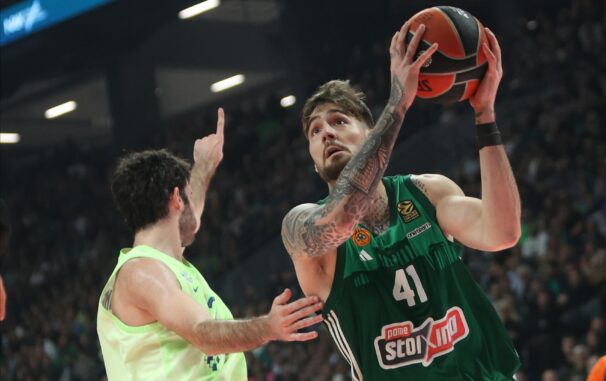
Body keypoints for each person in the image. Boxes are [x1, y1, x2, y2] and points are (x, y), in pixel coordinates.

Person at [281, 21, 522, 380]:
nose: (326, 132)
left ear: (370, 132)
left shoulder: (428, 192)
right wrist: (398, 103)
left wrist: (485, 115)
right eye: (315, 132)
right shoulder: (302, 227)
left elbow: (503, 232)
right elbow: (344, 218)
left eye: (339, 121)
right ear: (314, 161)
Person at [97, 108, 324, 380]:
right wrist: (268, 327)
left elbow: (189, 222)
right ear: (176, 199)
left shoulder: (160, 262)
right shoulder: (143, 273)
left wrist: (204, 166)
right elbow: (202, 332)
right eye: (184, 196)